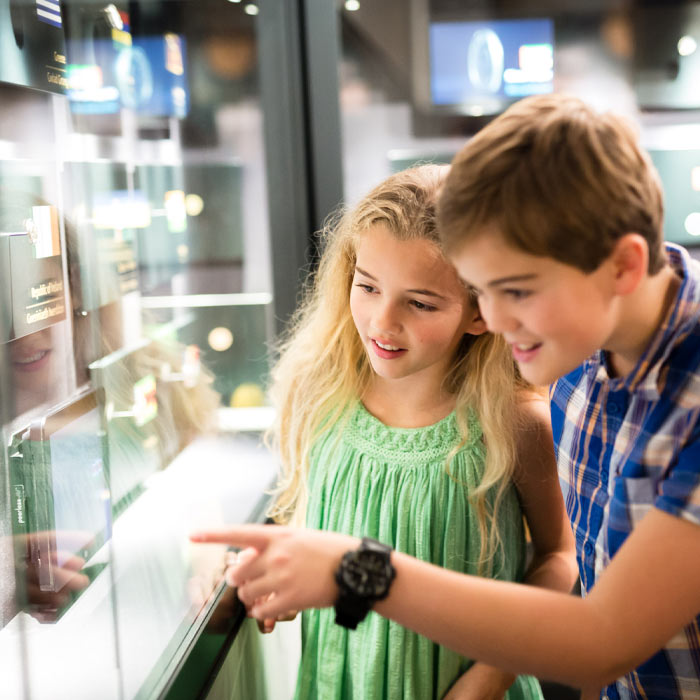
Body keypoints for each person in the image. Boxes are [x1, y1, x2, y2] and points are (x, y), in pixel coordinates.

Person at [191, 94, 700, 699]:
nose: (492, 322)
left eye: (516, 291)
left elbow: (602, 642)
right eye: (481, 292)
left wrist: (357, 572)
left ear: (623, 267)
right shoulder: (581, 350)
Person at [248, 164, 576, 700]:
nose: (382, 321)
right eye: (367, 286)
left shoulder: (514, 422)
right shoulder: (319, 393)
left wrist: (492, 676)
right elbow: (314, 518)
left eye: (420, 303)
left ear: (480, 313)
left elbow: (559, 556)